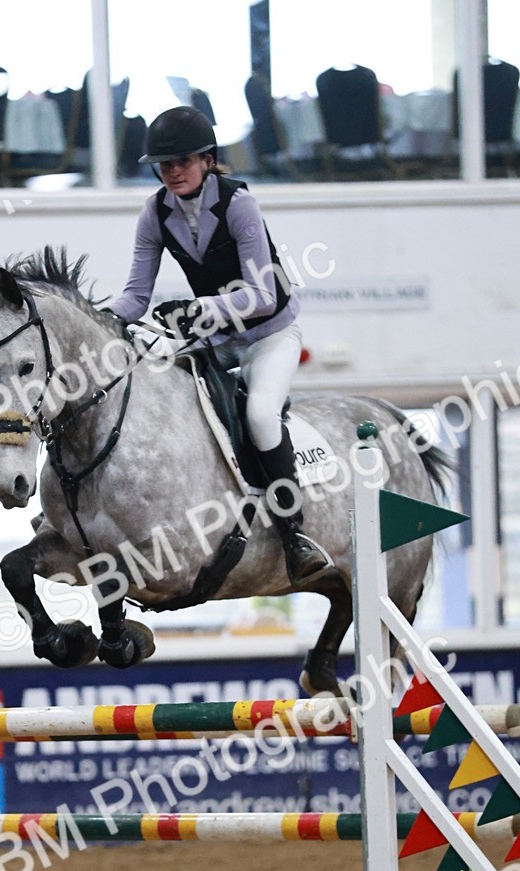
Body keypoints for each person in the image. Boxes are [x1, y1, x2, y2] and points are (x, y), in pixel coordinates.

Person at [105, 105, 327, 584]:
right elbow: (136, 296)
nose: (173, 171)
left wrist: (201, 309)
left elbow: (264, 294)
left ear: (207, 160)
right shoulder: (155, 213)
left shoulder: (239, 204)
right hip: (219, 340)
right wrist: (99, 319)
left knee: (261, 414)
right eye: (165, 164)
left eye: (183, 161)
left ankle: (295, 534)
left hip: (270, 334)